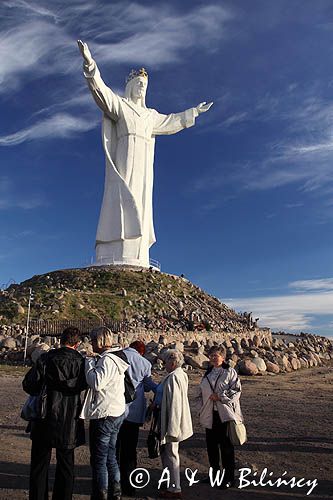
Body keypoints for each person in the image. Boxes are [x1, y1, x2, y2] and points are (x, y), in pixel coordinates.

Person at [77, 40, 213, 268]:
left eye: (144, 85)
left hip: (143, 167)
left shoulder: (150, 116)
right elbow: (101, 92)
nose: (142, 88)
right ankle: (114, 247)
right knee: (121, 200)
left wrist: (194, 112)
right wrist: (90, 64)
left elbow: (172, 121)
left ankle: (137, 253)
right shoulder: (121, 106)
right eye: (138, 84)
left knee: (140, 204)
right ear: (130, 86)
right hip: (124, 161)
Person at [22, 327, 86, 500]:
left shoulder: (46, 358)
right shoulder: (82, 362)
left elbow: (29, 384)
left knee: (39, 465)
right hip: (69, 419)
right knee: (66, 466)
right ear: (77, 343)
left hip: (44, 417)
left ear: (60, 340)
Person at [80, 326, 129, 500]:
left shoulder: (107, 360)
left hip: (104, 413)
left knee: (100, 458)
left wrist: (89, 363)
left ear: (100, 341)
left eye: (93, 340)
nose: (91, 344)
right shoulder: (116, 358)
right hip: (115, 411)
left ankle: (101, 493)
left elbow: (97, 383)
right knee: (110, 455)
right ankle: (115, 492)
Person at [198, 345, 243, 489]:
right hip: (210, 414)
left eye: (216, 355)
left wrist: (220, 396)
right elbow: (201, 391)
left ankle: (229, 478)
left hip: (224, 415)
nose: (212, 357)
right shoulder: (208, 373)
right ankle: (214, 476)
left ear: (223, 357)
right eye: (211, 355)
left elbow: (236, 390)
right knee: (211, 447)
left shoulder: (229, 372)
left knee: (226, 448)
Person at [116, 340, 157, 496]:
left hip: (116, 409)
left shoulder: (118, 357)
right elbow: (147, 385)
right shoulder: (145, 363)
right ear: (141, 351)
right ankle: (129, 486)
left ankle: (114, 483)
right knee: (129, 450)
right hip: (133, 412)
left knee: (114, 449)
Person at [158, 349, 193, 499]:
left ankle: (174, 488)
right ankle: (171, 485)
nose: (164, 364)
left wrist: (171, 428)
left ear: (172, 363)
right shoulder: (181, 375)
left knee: (171, 454)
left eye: (166, 361)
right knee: (170, 454)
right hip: (175, 420)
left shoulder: (173, 377)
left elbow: (175, 404)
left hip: (173, 422)